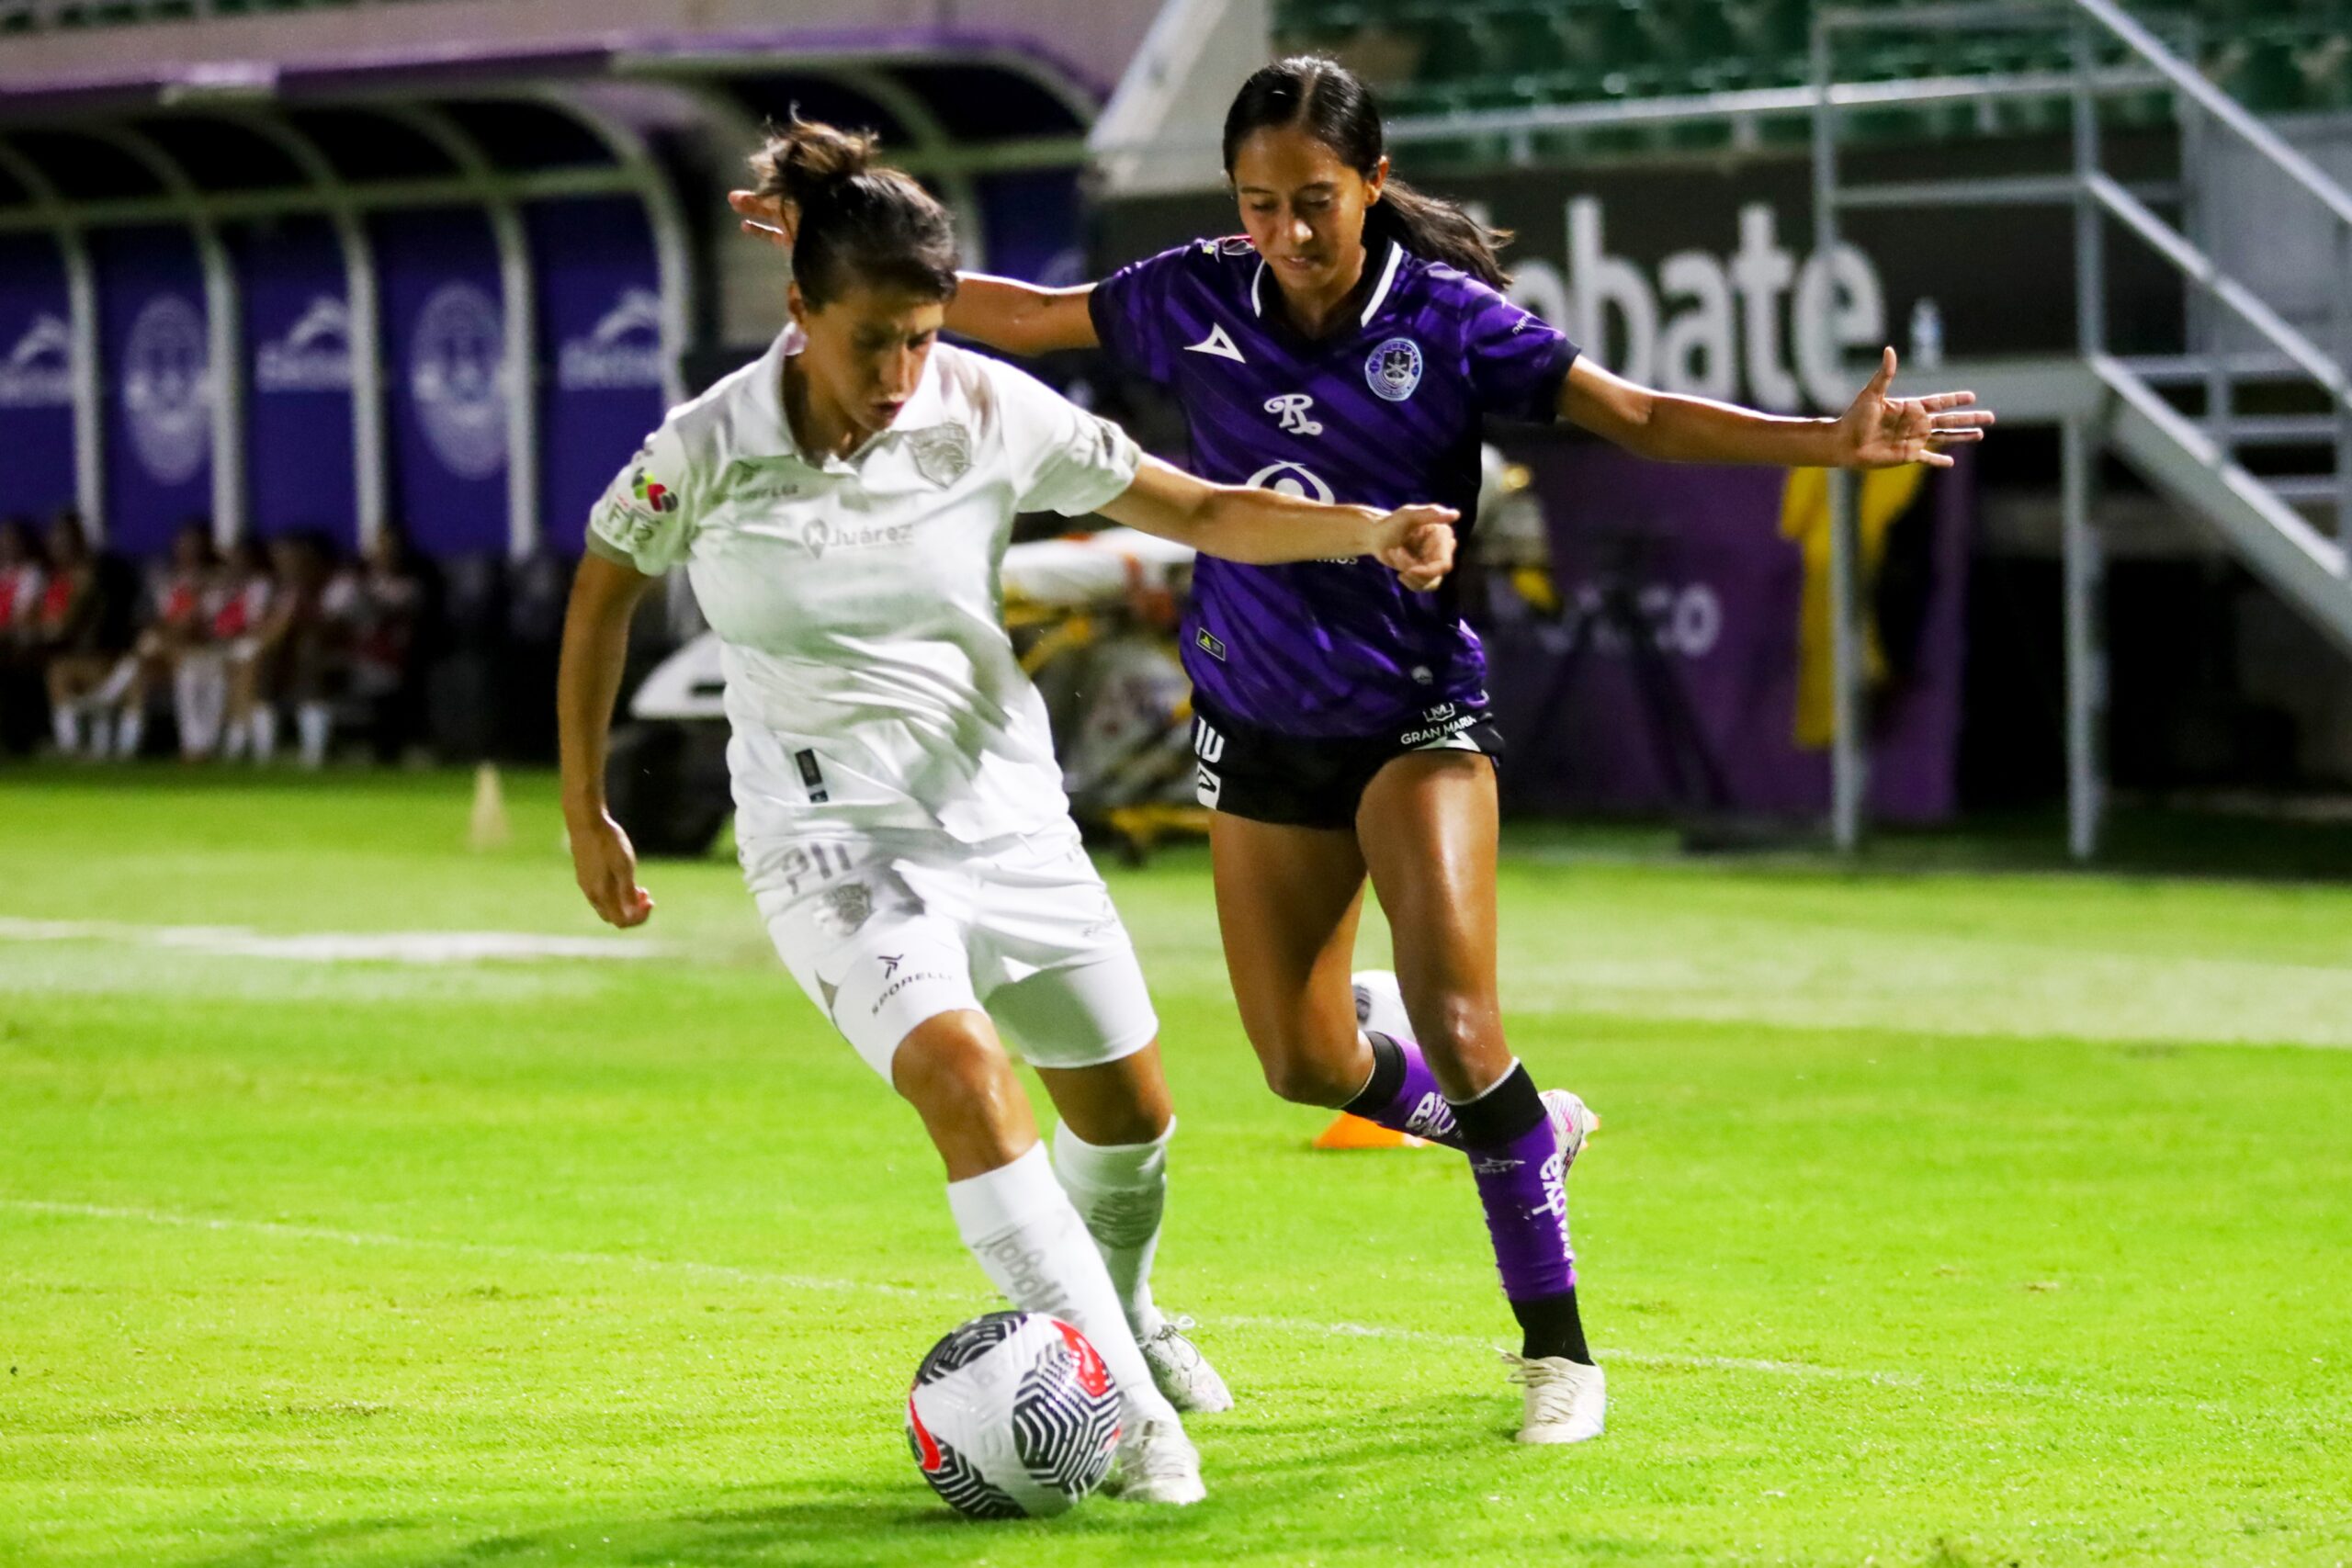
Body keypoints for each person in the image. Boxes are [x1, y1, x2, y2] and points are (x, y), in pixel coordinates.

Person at [734, 55, 1993, 1446]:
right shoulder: (1198, 291)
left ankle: (1558, 1352)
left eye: (1315, 201)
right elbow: (1027, 316)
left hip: (1416, 715)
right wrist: (832, 252)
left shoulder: (1449, 321)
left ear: (1374, 185)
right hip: (1260, 724)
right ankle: (1526, 1129)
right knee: (1308, 1066)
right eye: (1259, 204)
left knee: (1460, 1028)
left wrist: (1829, 442)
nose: (1287, 233)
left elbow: (1631, 415)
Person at [561, 117, 1460, 1506]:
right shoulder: (709, 448)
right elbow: (605, 579)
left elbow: (1204, 511)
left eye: (922, 336)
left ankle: (1129, 1317)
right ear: (800, 312)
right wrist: (586, 804)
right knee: (967, 1079)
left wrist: (1367, 526)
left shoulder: (980, 408)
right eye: (873, 341)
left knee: (1133, 1121)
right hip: (832, 844)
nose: (899, 373)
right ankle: (1131, 1422)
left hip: (1008, 821)